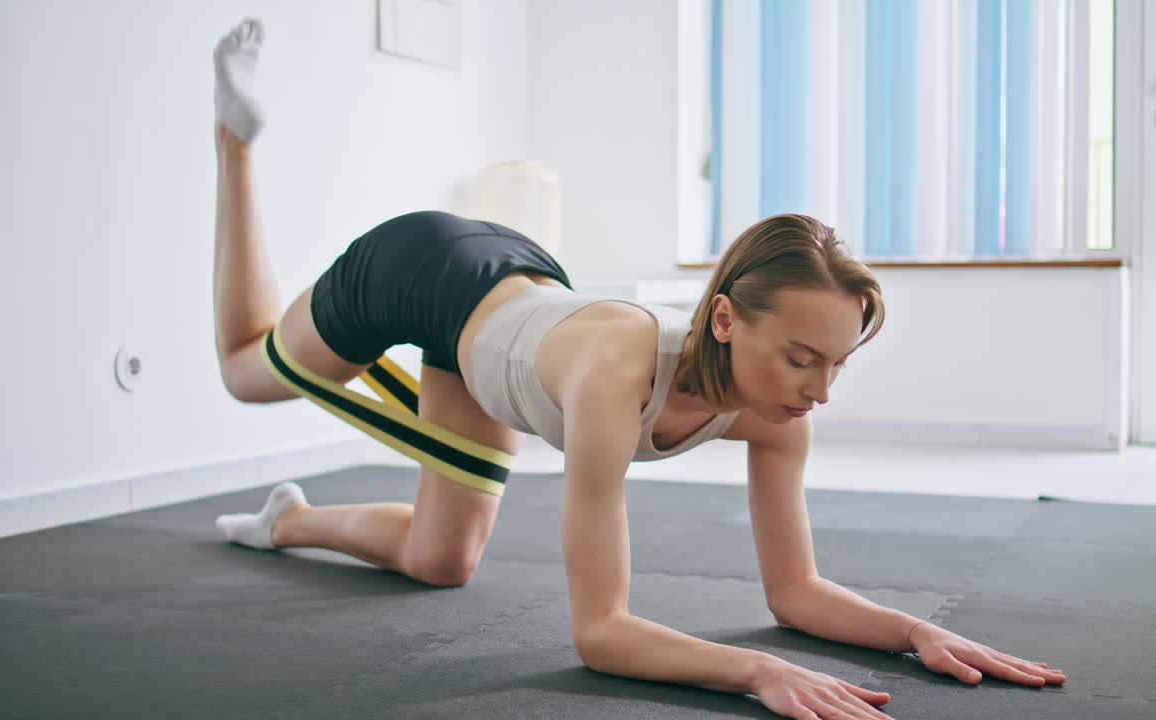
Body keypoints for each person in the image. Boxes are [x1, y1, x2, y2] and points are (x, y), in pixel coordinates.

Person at [209, 19, 1066, 720]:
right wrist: (755, 673)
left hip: (509, 294)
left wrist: (912, 632)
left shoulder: (779, 409)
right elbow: (600, 630)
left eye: (835, 364)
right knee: (248, 370)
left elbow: (795, 590)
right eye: (801, 359)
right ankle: (234, 147)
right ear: (724, 319)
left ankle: (288, 521)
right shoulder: (617, 380)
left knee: (442, 560)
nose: (819, 390)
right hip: (418, 267)